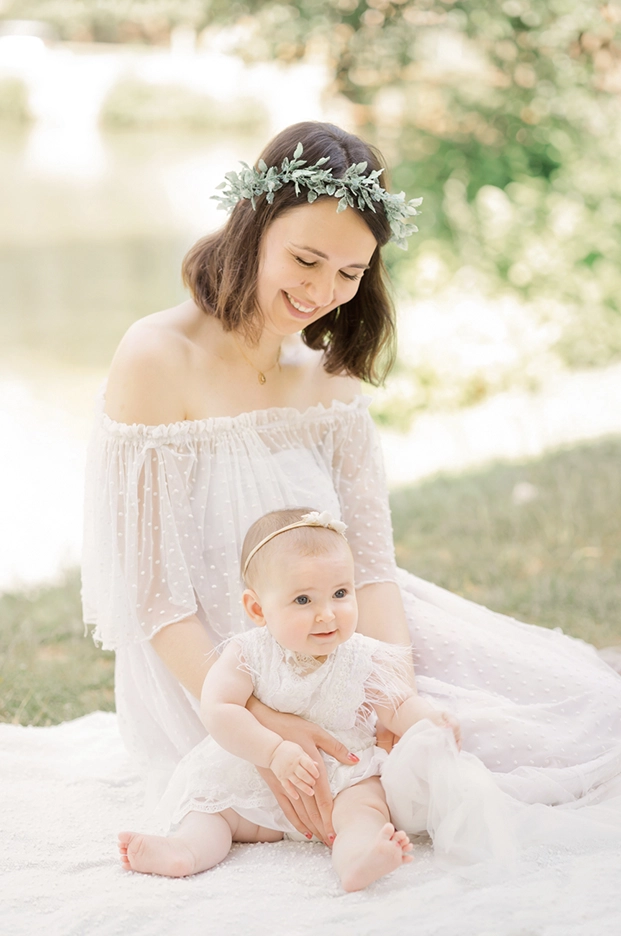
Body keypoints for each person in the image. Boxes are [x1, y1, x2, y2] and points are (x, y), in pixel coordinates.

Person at [82, 120, 621, 848]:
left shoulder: (324, 377)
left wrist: (390, 697)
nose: (321, 292)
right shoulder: (156, 357)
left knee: (565, 711)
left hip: (345, 639)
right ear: (253, 227)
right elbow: (156, 599)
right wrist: (269, 730)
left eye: (348, 273)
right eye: (305, 260)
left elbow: (368, 565)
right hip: (219, 678)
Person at [117, 508, 460, 892]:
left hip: (341, 778)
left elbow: (396, 705)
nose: (327, 613)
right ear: (257, 609)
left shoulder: (363, 655)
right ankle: (185, 851)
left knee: (365, 810)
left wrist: (428, 719)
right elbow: (219, 708)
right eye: (303, 600)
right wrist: (273, 752)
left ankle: (359, 859)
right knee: (213, 809)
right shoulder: (248, 654)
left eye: (340, 593)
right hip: (257, 775)